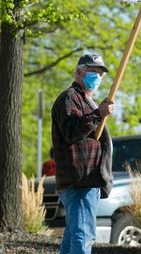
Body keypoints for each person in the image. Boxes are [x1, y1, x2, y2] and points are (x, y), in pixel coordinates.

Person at [51, 53, 115, 254]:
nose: (97, 77)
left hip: (87, 179)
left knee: (73, 237)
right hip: (80, 179)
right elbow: (71, 131)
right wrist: (99, 114)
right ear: (79, 72)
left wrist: (98, 111)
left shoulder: (88, 100)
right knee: (83, 235)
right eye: (92, 72)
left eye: (100, 73)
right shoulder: (70, 98)